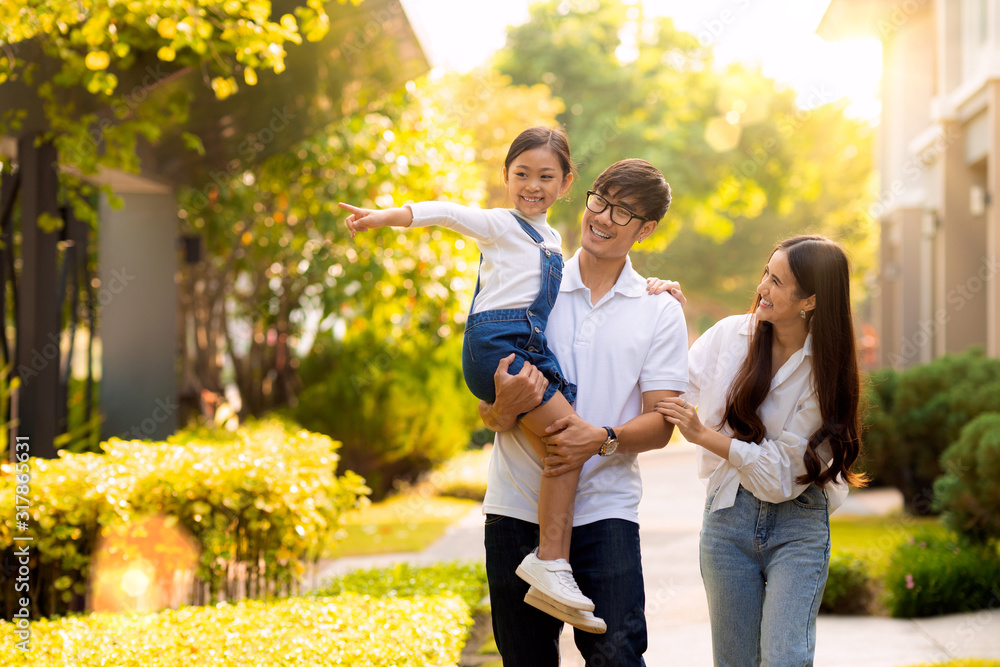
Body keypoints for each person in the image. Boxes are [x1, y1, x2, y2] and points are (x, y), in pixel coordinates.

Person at [342, 127, 644, 627]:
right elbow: (446, 212)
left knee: (563, 445)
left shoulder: (552, 239)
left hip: (526, 346)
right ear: (505, 176)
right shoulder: (500, 225)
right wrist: (387, 218)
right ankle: (550, 563)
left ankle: (552, 566)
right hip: (498, 347)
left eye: (546, 176)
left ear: (567, 182)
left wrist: (654, 285)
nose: (532, 185)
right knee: (569, 440)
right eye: (521, 173)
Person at [479, 158, 689, 664]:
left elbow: (663, 422)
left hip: (605, 512)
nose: (603, 217)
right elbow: (488, 403)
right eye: (600, 200)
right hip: (515, 507)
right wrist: (498, 411)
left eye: (624, 212)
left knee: (616, 655)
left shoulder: (658, 309)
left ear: (647, 230)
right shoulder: (530, 286)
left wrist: (602, 438)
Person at [654, 235, 868, 666]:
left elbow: (779, 475)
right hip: (727, 519)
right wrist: (664, 318)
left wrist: (704, 435)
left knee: (784, 657)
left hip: (798, 524)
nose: (762, 289)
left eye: (777, 281)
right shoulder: (730, 336)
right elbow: (670, 384)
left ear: (809, 300)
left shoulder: (825, 372)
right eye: (765, 274)